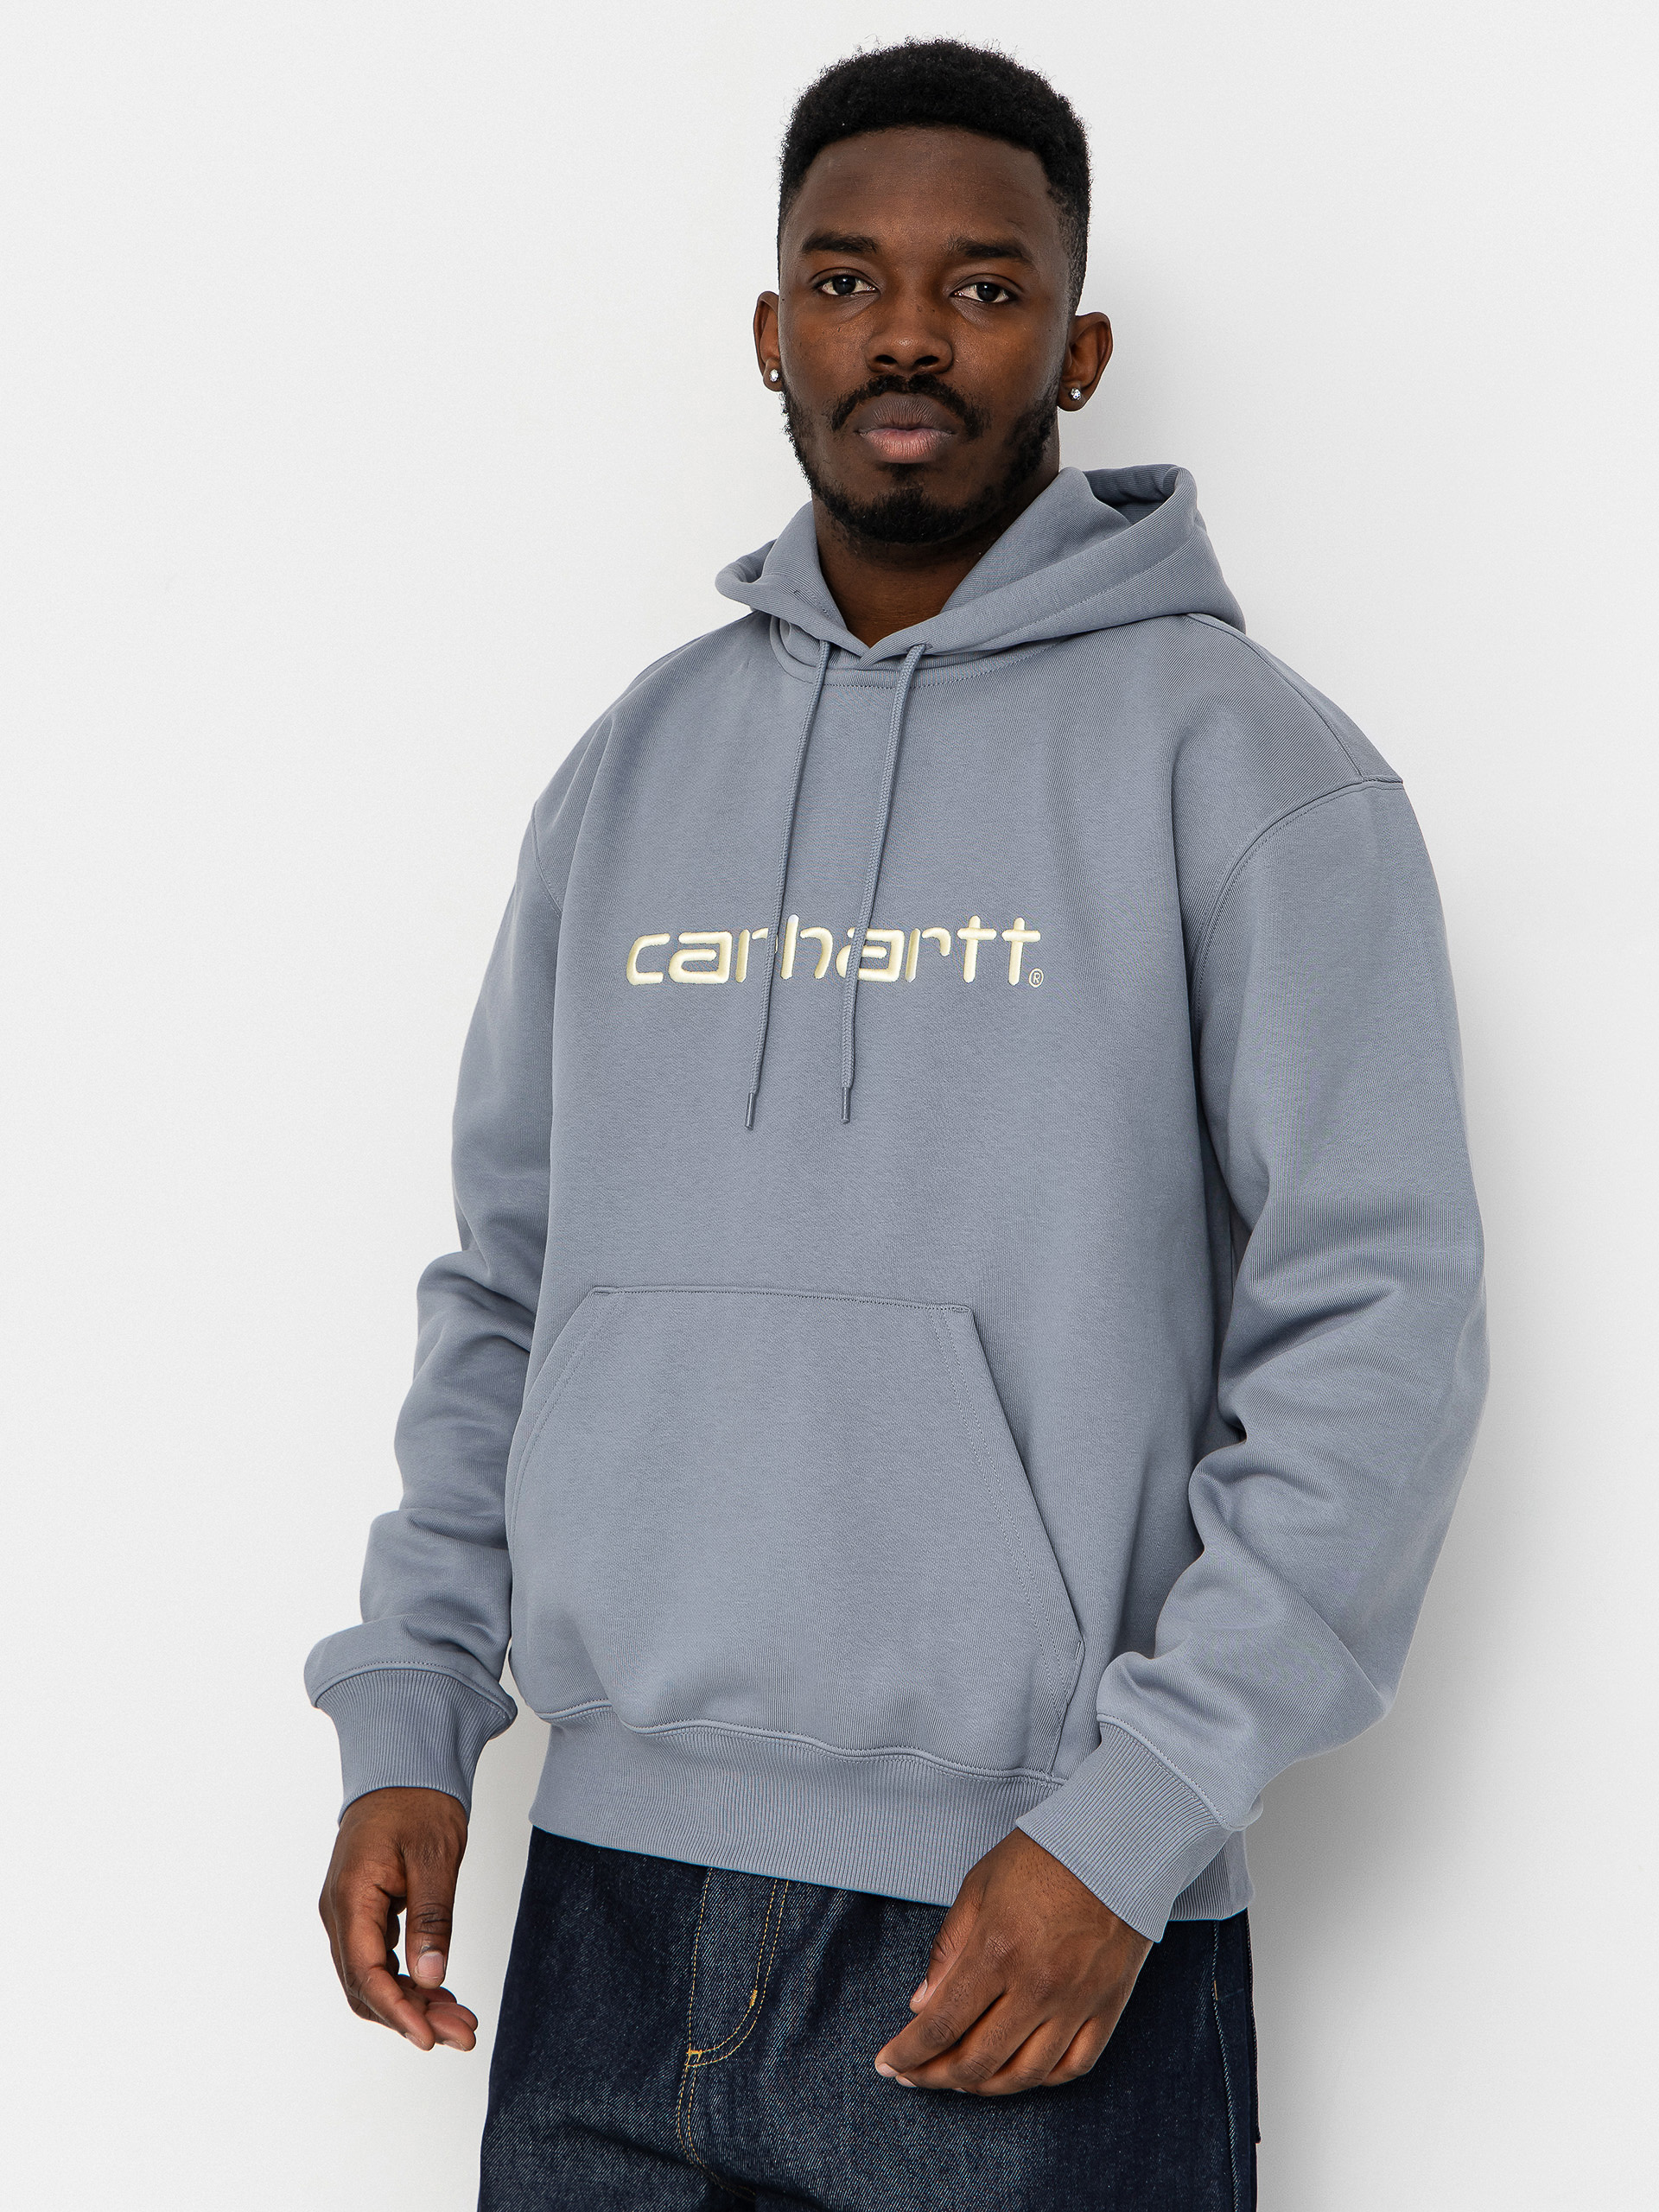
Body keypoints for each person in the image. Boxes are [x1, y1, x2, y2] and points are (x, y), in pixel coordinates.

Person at [307, 37, 1488, 2211]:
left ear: (1079, 346)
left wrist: (1135, 1820)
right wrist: (417, 1703)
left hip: (1029, 1918)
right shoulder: (632, 766)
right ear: (773, 330)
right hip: (599, 1916)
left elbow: (1378, 1326)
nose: (911, 336)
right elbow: (507, 1281)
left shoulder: (1251, 768)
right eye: (849, 281)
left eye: (985, 286)